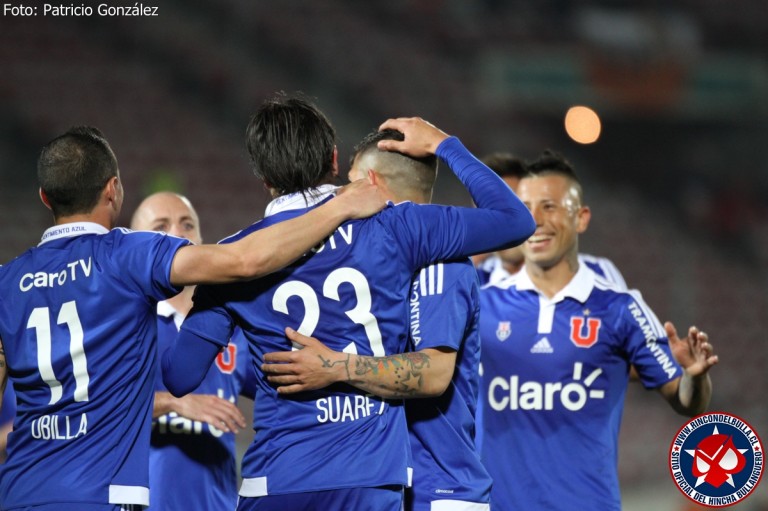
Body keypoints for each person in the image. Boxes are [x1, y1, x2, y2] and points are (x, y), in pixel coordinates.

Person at [162, 95, 535, 511]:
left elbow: (180, 375)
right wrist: (444, 144)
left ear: (264, 178)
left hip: (276, 480)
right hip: (369, 479)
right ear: (335, 160)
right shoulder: (397, 225)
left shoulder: (234, 258)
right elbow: (516, 220)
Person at [0, 125, 385, 510]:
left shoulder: (6, 282)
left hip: (18, 493)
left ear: (45, 197)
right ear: (113, 189)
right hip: (102, 496)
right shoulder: (127, 256)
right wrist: (340, 206)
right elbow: (244, 260)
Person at [261, 128, 493, 511]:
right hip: (390, 483)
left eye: (348, 184)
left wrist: (339, 367)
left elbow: (434, 373)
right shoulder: (380, 261)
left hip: (439, 492)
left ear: (370, 183)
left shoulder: (438, 263)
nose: (338, 195)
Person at [477, 151, 718, 510]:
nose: (535, 221)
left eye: (550, 206)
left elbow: (685, 400)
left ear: (581, 217)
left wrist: (695, 377)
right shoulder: (476, 302)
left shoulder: (619, 306)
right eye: (525, 208)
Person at [131, 191, 256, 511]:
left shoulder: (232, 326)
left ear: (200, 237)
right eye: (162, 226)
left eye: (187, 225)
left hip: (219, 503)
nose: (177, 234)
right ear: (135, 244)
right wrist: (175, 403)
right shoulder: (126, 326)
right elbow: (104, 406)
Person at [476, 151, 627, 289]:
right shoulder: (473, 282)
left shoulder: (598, 273)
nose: (502, 220)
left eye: (515, 206)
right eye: (490, 209)